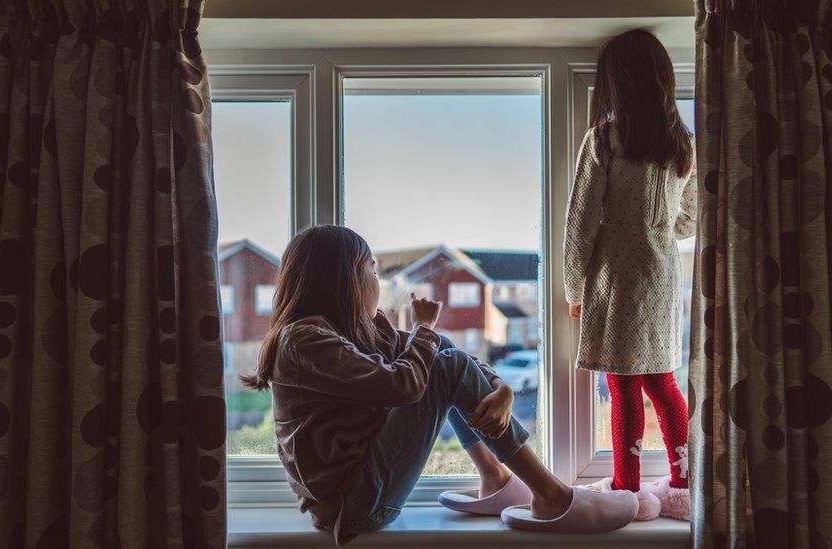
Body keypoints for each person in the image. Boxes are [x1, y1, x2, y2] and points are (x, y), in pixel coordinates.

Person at [240, 225, 639, 544]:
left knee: (445, 363)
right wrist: (424, 330)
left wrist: (501, 387)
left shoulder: (359, 331)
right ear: (344, 280)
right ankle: (550, 495)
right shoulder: (304, 340)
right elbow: (405, 385)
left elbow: (450, 355)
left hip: (365, 488)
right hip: (351, 506)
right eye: (372, 270)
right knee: (440, 368)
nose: (378, 282)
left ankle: (495, 477)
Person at [562, 28, 697, 522]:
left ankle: (627, 487)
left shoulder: (605, 138)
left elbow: (581, 222)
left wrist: (574, 289)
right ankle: (685, 485)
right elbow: (691, 217)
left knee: (622, 385)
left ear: (613, 84)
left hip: (617, 280)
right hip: (662, 278)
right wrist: (660, 227)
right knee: (663, 381)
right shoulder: (681, 144)